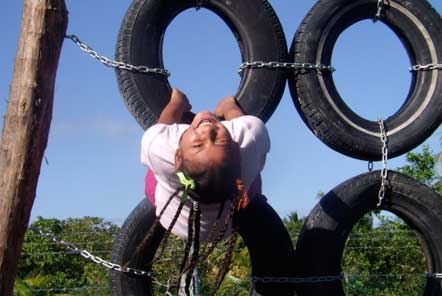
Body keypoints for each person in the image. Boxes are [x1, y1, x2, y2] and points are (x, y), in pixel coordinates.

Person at [137, 88, 296, 296]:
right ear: (238, 153)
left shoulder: (160, 149)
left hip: (174, 219)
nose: (208, 132)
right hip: (231, 220)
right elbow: (240, 121)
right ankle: (242, 190)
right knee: (252, 177)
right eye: (218, 139)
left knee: (153, 175)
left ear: (177, 158)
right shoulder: (249, 139)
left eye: (198, 143)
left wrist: (177, 103)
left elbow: (162, 126)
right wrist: (228, 105)